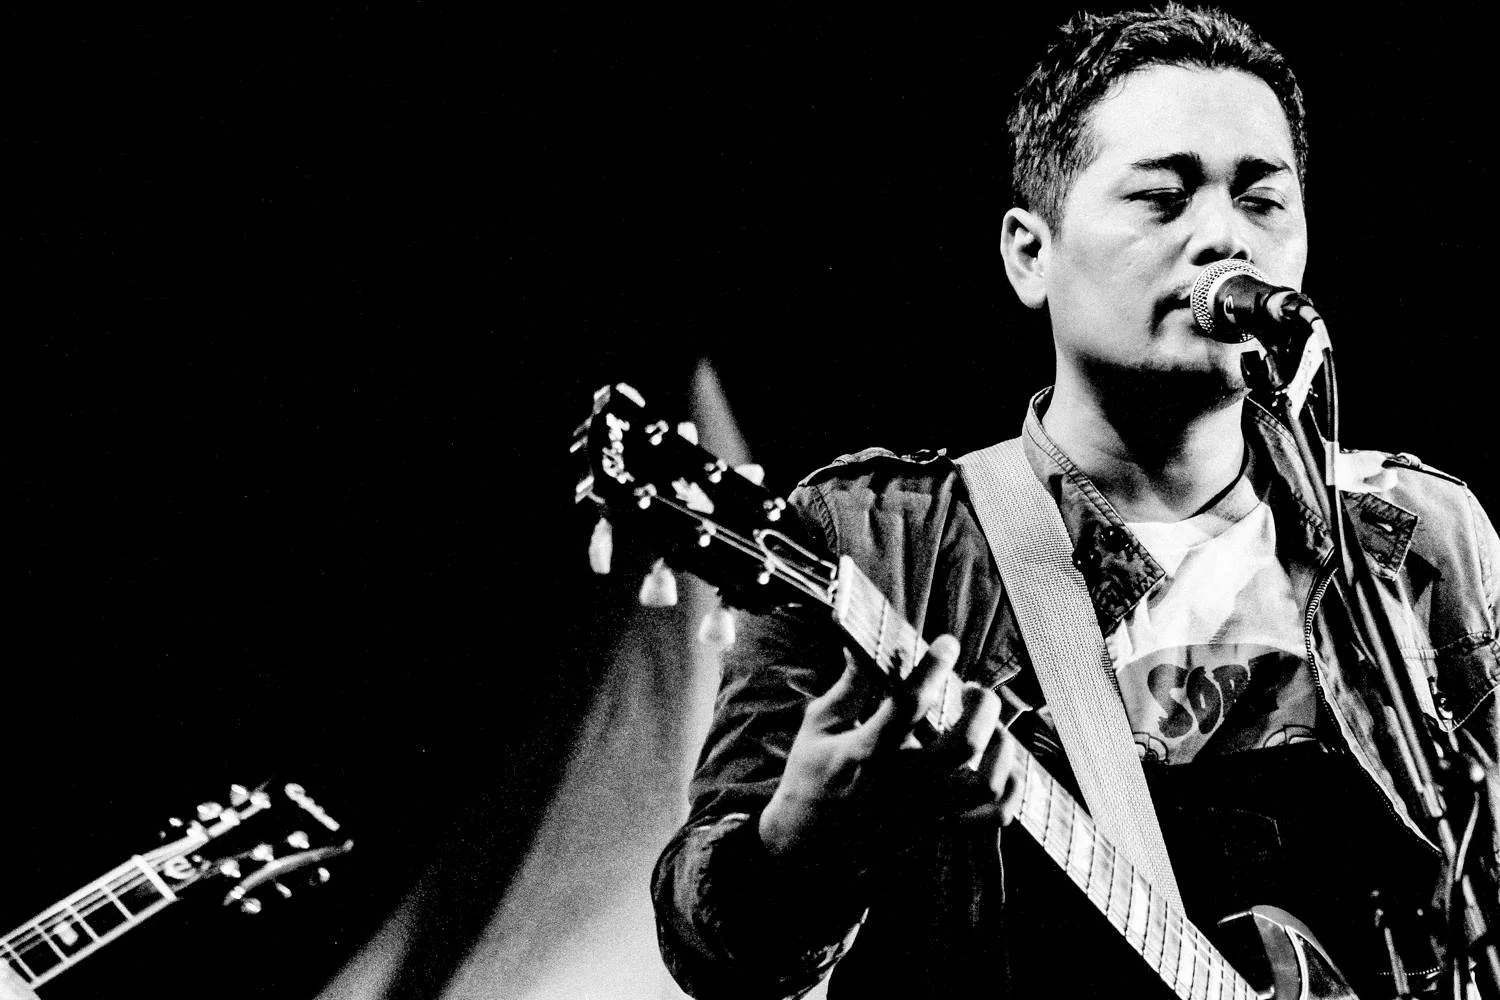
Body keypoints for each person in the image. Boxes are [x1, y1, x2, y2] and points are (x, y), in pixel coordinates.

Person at [651, 5, 1500, 998]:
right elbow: (713, 955)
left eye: (1262, 200)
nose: (1224, 237)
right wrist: (801, 849)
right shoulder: (873, 545)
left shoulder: (1415, 536)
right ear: (1029, 253)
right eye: (1163, 198)